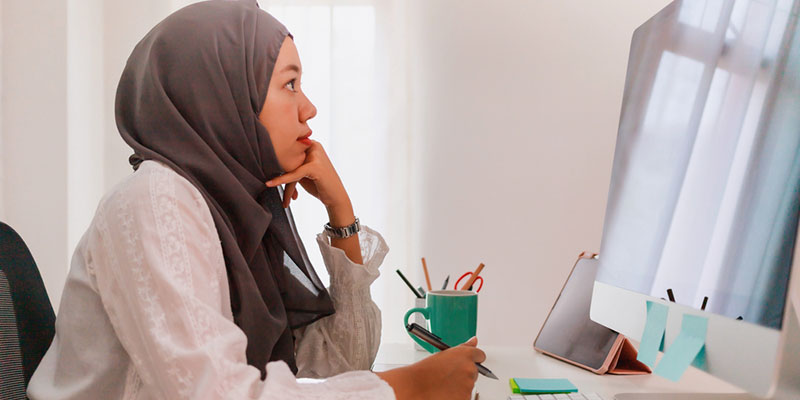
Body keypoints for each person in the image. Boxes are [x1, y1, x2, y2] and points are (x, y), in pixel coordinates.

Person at [26, 1, 485, 399]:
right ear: (223, 96)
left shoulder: (237, 209)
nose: (309, 108)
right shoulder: (157, 202)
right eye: (290, 85)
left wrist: (340, 214)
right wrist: (407, 388)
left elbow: (341, 363)